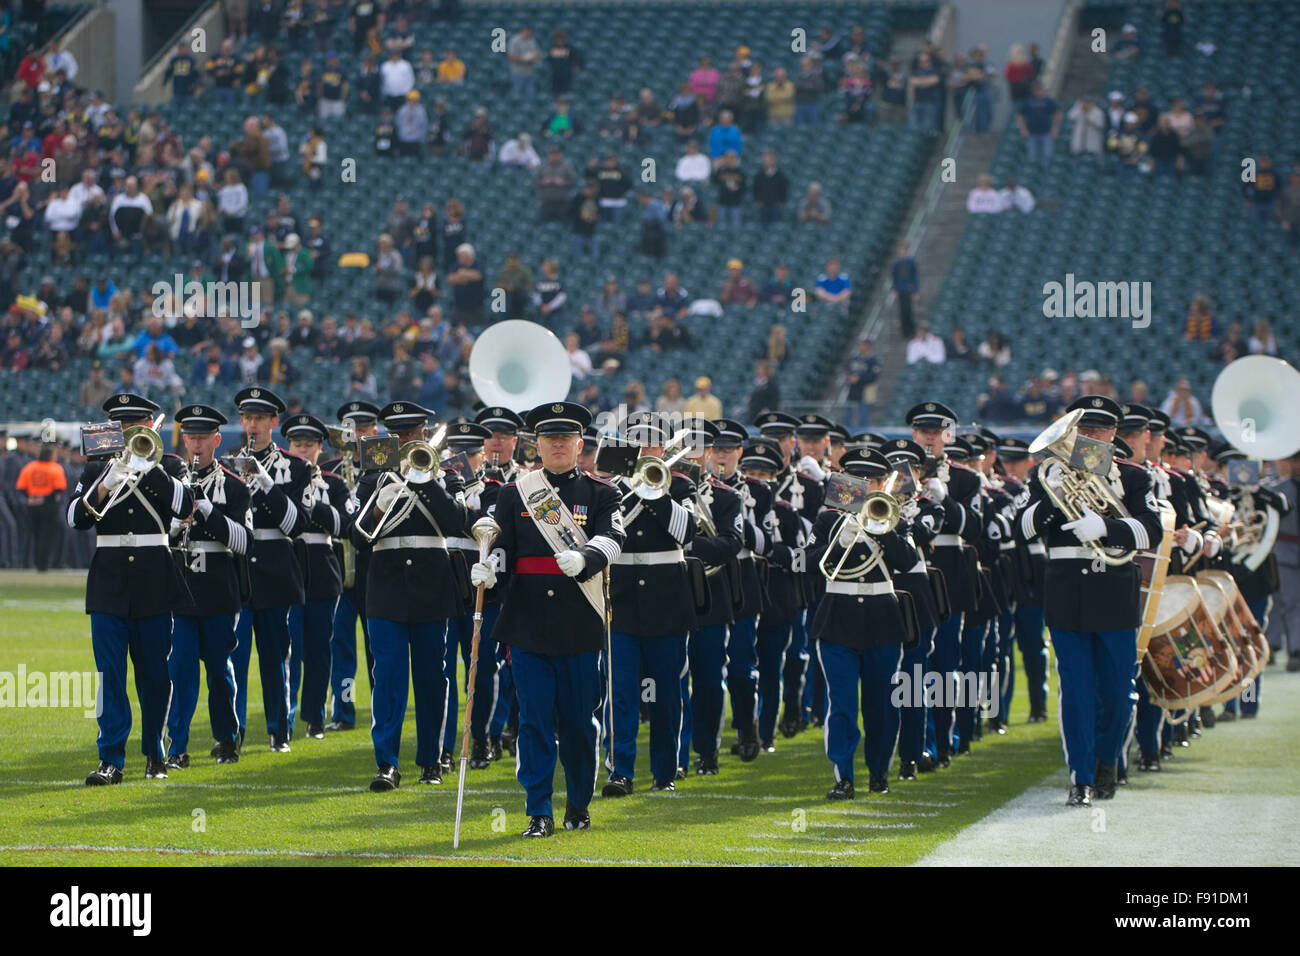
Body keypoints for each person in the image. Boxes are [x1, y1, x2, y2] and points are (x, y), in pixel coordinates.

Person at [471, 401, 623, 835]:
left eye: (565, 439)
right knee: (534, 721)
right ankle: (538, 810)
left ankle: (578, 803)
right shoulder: (514, 492)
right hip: (527, 623)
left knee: (577, 723)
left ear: (579, 444)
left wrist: (588, 555)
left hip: (579, 621)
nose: (557, 445)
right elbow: (500, 546)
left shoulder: (601, 494)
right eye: (549, 439)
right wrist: (489, 569)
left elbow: (615, 536)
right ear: (536, 445)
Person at [1014, 396, 1163, 805]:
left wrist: (1108, 526)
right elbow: (1022, 528)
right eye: (1086, 430)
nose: (1092, 438)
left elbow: (1153, 530)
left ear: (1114, 434)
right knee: (1076, 690)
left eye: (1101, 431)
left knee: (1118, 692)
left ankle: (1106, 760)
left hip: (1115, 592)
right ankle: (1080, 776)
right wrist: (1052, 494)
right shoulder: (1046, 474)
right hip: (1066, 594)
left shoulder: (1133, 478)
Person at [69, 394, 195, 783]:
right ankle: (111, 758)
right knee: (109, 675)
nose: (126, 432)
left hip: (154, 578)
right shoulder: (95, 468)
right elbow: (76, 519)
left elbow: (185, 502)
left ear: (147, 424)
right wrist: (107, 480)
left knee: (155, 674)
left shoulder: (169, 463)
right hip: (108, 579)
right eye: (119, 424)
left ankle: (155, 753)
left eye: (133, 423)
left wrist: (148, 466)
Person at [351, 401, 468, 790]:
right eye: (397, 435)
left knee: (433, 677)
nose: (404, 441)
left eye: (411, 434)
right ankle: (387, 762)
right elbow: (356, 536)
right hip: (385, 588)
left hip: (433, 587)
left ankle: (431, 759)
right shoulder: (372, 478)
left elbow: (457, 522)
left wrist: (424, 480)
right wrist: (376, 508)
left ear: (423, 433)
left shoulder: (447, 473)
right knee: (387, 678)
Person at [805, 447, 918, 797]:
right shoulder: (827, 520)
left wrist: (883, 529)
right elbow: (807, 564)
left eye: (873, 479)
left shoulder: (895, 517)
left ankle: (879, 771)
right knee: (842, 704)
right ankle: (843, 776)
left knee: (882, 704)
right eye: (859, 478)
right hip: (838, 616)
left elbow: (909, 561)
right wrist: (837, 541)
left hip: (883, 618)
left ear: (884, 483)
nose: (866, 485)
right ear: (844, 480)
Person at [599, 412, 697, 796]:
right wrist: (629, 487)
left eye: (652, 443)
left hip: (666, 599)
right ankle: (619, 770)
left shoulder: (682, 485)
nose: (644, 450)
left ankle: (665, 771)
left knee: (665, 691)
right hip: (620, 598)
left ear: (664, 447)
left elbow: (686, 533)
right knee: (620, 690)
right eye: (636, 442)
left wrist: (655, 492)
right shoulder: (608, 489)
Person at [228, 387, 312, 753]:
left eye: (260, 418)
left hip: (277, 568)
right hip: (238, 570)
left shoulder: (295, 468)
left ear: (274, 423)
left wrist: (265, 482)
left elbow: (297, 525)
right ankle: (233, 734)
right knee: (234, 656)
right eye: (247, 418)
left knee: (276, 657)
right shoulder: (228, 464)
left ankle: (280, 728)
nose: (252, 425)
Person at [164, 405, 248, 768]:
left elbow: (245, 542)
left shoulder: (234, 484)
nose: (196, 445)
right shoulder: (169, 483)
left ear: (217, 440)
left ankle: (227, 738)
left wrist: (210, 512)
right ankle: (176, 747)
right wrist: (175, 523)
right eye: (191, 437)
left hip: (217, 588)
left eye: (203, 438)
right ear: (184, 439)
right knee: (180, 669)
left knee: (218, 669)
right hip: (181, 588)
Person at [676, 419, 743, 776]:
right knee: (674, 678)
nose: (695, 454)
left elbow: (732, 544)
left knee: (707, 679)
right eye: (688, 446)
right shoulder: (663, 489)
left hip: (712, 597)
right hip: (671, 594)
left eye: (702, 447)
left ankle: (706, 750)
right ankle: (678, 756)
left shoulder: (727, 496)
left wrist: (688, 543)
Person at [281, 415, 350, 741]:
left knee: (320, 650)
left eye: (309, 445)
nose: (303, 450)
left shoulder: (334, 484)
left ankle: (316, 716)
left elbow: (345, 525)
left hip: (323, 569)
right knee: (290, 647)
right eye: (297, 444)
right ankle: (287, 715)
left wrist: (315, 506)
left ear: (320, 448)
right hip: (290, 566)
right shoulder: (281, 480)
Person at [325, 400, 380, 731]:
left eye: (362, 429)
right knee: (341, 647)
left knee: (378, 649)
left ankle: (380, 708)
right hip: (339, 570)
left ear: (374, 432)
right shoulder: (331, 471)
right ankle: (344, 712)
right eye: (350, 429)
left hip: (373, 570)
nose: (356, 436)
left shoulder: (384, 469)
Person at [17, 443, 66, 572]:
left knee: (35, 536)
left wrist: (32, 497)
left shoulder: (29, 467)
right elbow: (59, 489)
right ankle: (42, 565)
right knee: (47, 536)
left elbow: (21, 487)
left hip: (32, 506)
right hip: (48, 506)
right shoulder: (55, 468)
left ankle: (34, 562)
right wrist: (44, 498)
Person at [845, 337, 880, 428]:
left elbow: (874, 376)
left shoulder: (873, 360)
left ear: (869, 345)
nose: (861, 346)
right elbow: (846, 368)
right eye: (860, 344)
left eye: (863, 344)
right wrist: (849, 376)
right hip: (853, 390)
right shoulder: (855, 358)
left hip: (866, 390)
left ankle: (863, 433)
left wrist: (859, 378)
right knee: (847, 414)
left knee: (863, 416)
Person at [891, 243, 919, 339]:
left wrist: (915, 290)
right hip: (900, 290)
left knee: (909, 310)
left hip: (908, 289)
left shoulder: (911, 262)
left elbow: (914, 276)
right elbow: (894, 277)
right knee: (902, 311)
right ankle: (905, 332)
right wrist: (895, 289)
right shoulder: (897, 263)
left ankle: (911, 330)